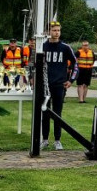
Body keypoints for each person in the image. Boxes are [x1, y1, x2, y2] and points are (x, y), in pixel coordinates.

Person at [40, 21, 77, 150]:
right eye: (54, 30)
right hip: (45, 85)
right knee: (45, 112)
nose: (56, 33)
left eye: (58, 30)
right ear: (48, 31)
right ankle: (44, 139)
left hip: (59, 85)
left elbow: (75, 64)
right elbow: (34, 64)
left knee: (57, 113)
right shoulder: (42, 46)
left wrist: (71, 80)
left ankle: (57, 140)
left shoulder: (65, 48)